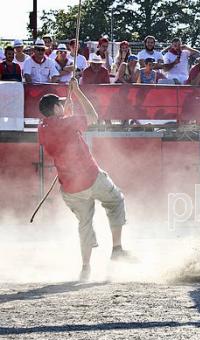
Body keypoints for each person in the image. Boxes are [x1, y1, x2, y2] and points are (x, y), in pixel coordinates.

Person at [37, 79, 133, 280]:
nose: (63, 106)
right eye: (60, 104)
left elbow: (63, 130)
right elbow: (93, 116)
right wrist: (78, 92)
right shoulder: (66, 122)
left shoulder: (42, 128)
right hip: (90, 177)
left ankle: (86, 267)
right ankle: (116, 249)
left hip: (69, 187)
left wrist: (66, 115)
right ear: (55, 108)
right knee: (115, 201)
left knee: (84, 224)